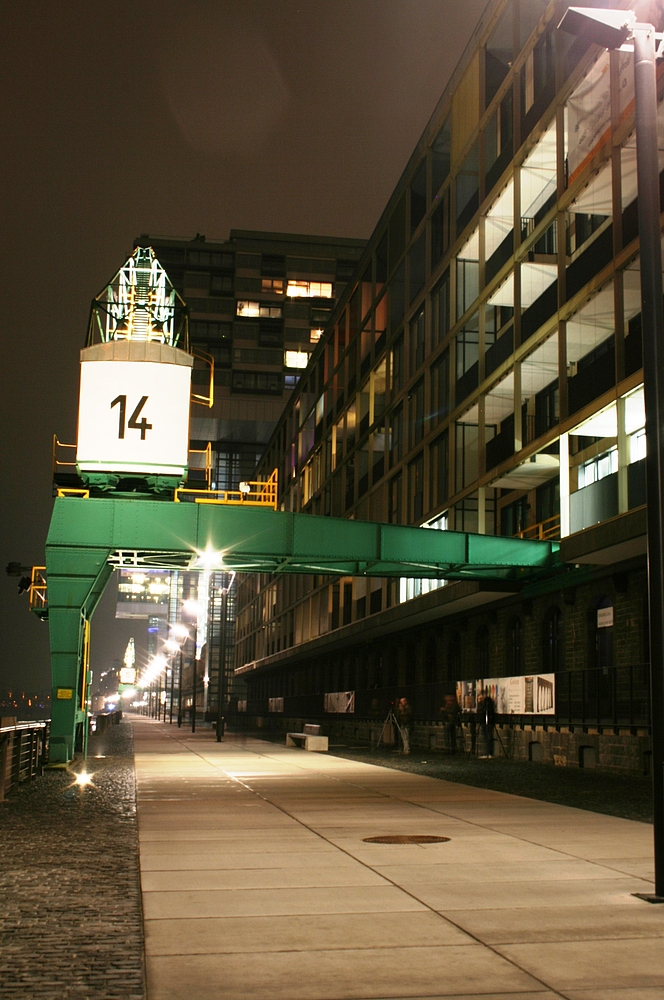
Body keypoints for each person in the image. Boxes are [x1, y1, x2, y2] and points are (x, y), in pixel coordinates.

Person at [478, 688, 495, 758]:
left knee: (488, 737)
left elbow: (488, 710)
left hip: (489, 721)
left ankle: (489, 752)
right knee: (484, 737)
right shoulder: (481, 703)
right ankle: (486, 752)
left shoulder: (488, 702)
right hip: (483, 721)